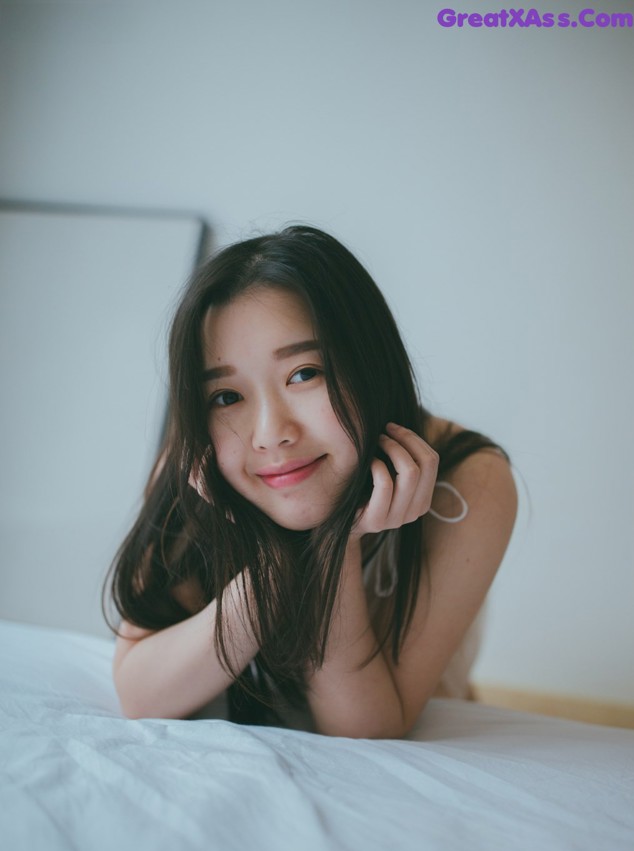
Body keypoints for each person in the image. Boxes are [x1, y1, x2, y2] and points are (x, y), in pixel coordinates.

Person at [107, 224, 517, 738]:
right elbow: (141, 693)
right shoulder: (203, 461)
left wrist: (336, 547)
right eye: (227, 396)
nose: (270, 434)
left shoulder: (469, 481)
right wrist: (273, 567)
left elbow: (364, 732)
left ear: (369, 360)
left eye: (304, 374)